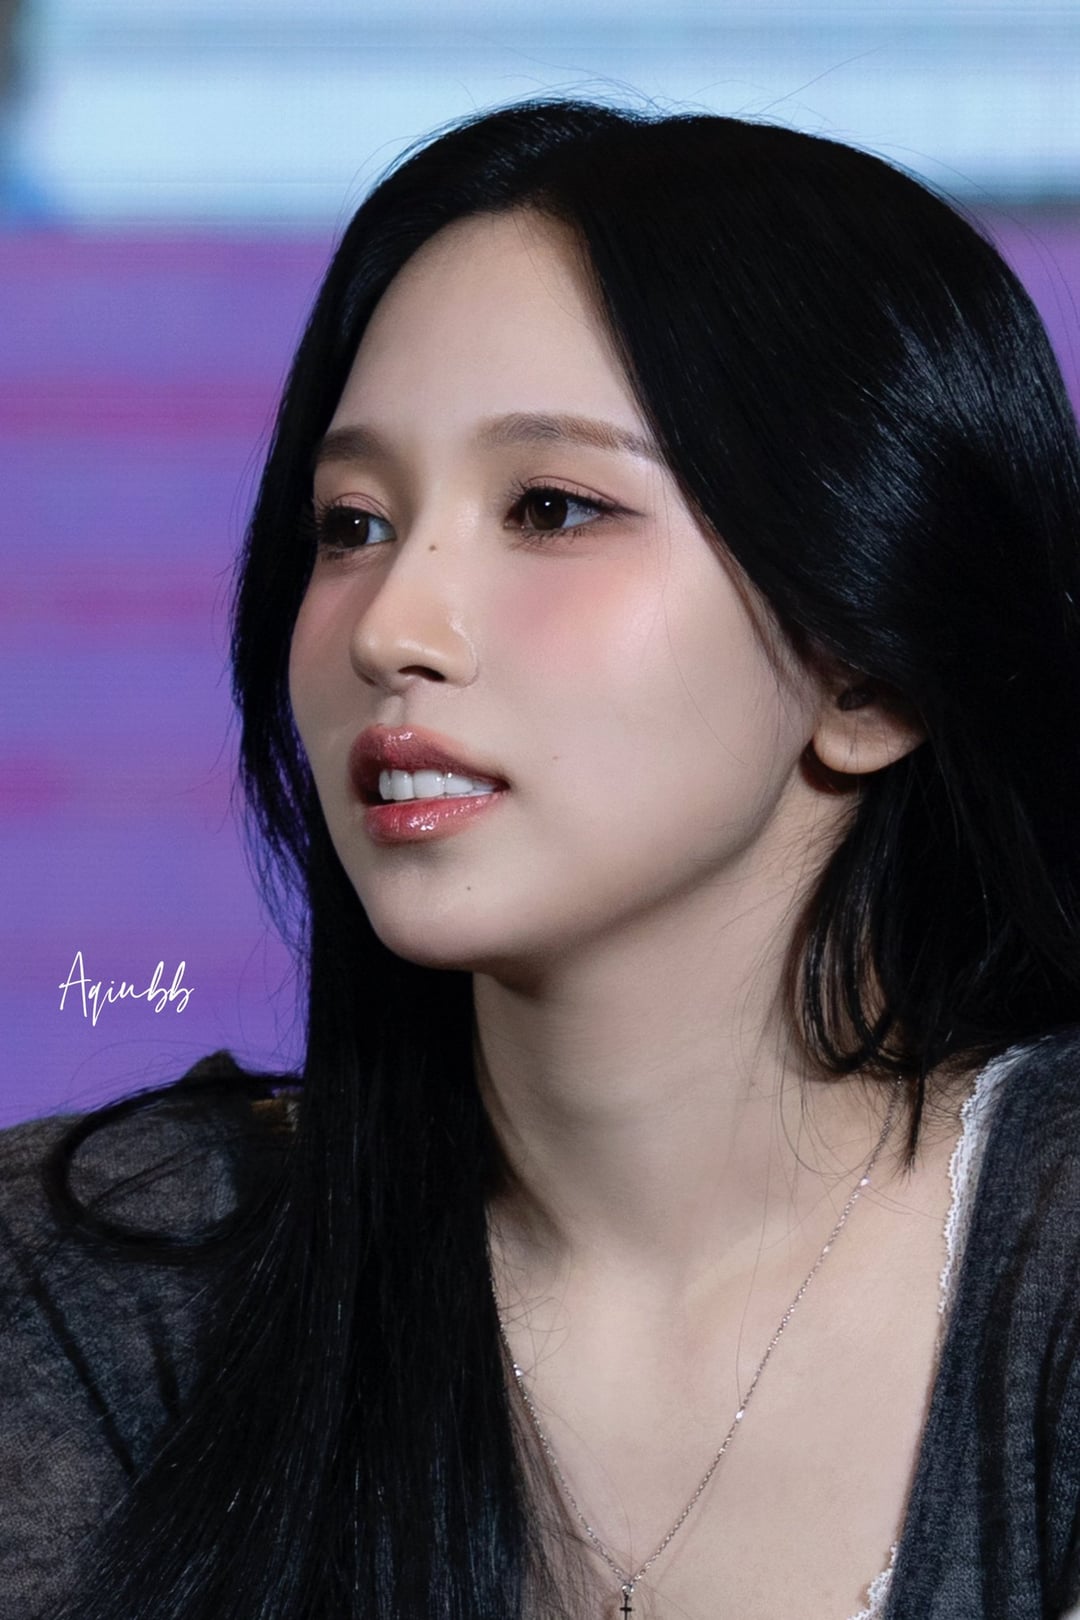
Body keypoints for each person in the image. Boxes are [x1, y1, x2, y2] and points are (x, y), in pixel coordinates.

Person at [2, 93, 1080, 1620]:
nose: (391, 628)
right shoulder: (92, 1290)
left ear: (867, 669)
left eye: (553, 509)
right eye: (351, 524)